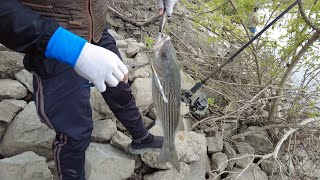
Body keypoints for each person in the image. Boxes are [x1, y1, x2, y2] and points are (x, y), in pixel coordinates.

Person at [0, 0, 177, 179]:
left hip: (96, 29)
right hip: (52, 38)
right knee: (75, 129)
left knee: (120, 88)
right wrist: (74, 50)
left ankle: (141, 138)